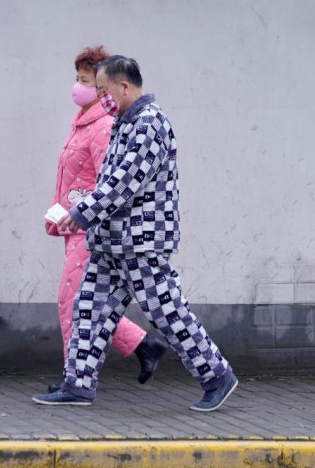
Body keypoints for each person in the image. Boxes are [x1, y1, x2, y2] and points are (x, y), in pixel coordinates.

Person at [33, 55, 238, 412]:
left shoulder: (149, 124)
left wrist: (81, 214)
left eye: (102, 89)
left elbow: (121, 184)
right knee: (89, 309)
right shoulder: (124, 122)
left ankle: (217, 376)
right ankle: (77, 385)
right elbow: (109, 184)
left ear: (123, 86)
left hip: (140, 243)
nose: (100, 96)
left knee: (168, 313)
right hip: (112, 242)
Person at [44, 46, 167, 393]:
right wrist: (57, 214)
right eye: (79, 79)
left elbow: (106, 184)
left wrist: (79, 215)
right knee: (89, 304)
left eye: (88, 82)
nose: (79, 87)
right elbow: (72, 179)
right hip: (76, 225)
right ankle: (145, 346)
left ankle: (74, 380)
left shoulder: (101, 127)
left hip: (90, 228)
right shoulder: (82, 124)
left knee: (75, 304)